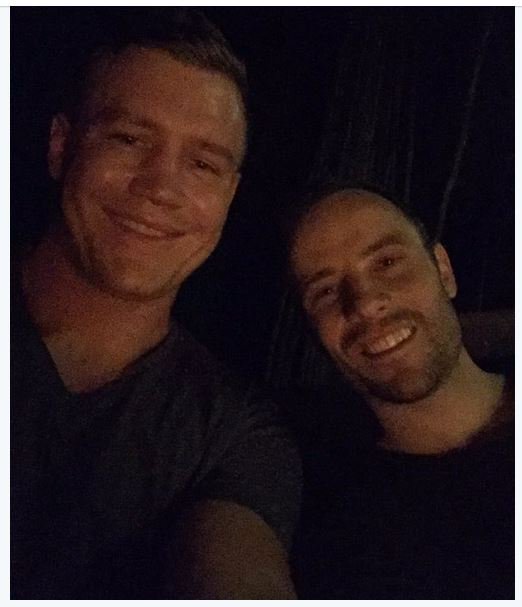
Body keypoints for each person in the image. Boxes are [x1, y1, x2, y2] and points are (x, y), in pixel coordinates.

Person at [11, 11, 301, 599]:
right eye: (129, 139)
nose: (161, 187)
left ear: (229, 195)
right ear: (61, 146)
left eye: (202, 164)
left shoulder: (232, 433)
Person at [288, 184, 513, 599]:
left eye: (387, 262)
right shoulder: (337, 532)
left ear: (443, 270)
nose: (364, 303)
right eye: (325, 291)